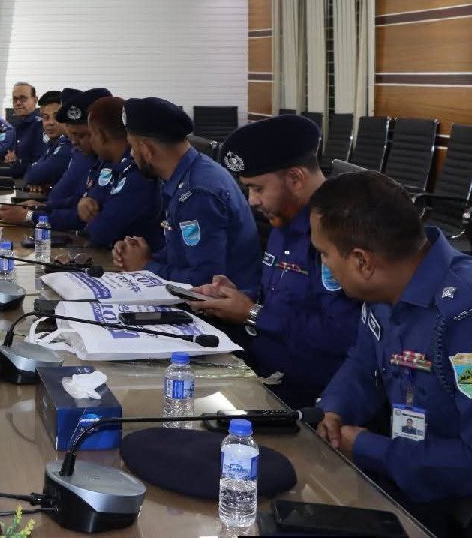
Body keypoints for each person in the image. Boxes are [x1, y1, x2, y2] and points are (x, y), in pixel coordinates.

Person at [312, 171, 472, 537]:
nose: (323, 265)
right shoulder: (383, 292)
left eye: (323, 253)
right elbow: (363, 362)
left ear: (362, 262)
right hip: (399, 478)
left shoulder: (463, 317)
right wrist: (334, 411)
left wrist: (368, 448)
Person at [189, 115, 360, 407]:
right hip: (263, 370)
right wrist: (236, 298)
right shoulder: (285, 215)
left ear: (295, 178)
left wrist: (253, 313)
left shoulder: (338, 233)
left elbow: (342, 334)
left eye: (258, 188)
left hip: (309, 394)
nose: (252, 201)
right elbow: (284, 297)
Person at [112, 97, 260, 289]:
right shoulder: (192, 174)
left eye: (132, 147)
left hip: (222, 304)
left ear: (146, 149)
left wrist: (145, 266)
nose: (132, 154)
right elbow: (184, 256)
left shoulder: (196, 193)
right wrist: (140, 256)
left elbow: (206, 280)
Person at [0, 88, 110, 229]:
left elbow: (89, 219)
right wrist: (43, 207)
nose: (74, 140)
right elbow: (77, 199)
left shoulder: (85, 152)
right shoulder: (74, 146)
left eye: (80, 134)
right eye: (45, 117)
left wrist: (31, 216)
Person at [70, 96, 162, 248]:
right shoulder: (110, 163)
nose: (91, 141)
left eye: (91, 134)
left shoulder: (138, 173)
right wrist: (83, 204)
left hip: (134, 258)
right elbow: (88, 202)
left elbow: (100, 232)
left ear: (101, 136)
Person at [20, 90, 72, 190]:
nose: (50, 122)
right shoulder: (53, 143)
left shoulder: (69, 144)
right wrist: (40, 181)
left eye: (56, 117)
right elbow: (31, 173)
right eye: (46, 118)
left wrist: (39, 179)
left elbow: (33, 175)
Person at [6, 82, 44, 177]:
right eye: (15, 99)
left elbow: (38, 164)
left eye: (23, 98)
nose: (18, 103)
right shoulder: (13, 125)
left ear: (35, 100)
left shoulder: (41, 126)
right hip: (16, 177)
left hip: (30, 180)